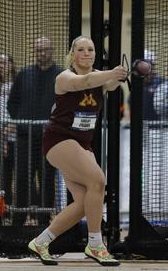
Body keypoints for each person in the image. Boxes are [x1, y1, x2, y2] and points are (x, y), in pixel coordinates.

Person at [28, 36, 127, 266]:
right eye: (80, 50)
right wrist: (112, 73)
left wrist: (119, 75)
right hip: (59, 140)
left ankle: (41, 241)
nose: (86, 53)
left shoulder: (100, 78)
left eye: (90, 49)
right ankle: (95, 244)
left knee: (85, 202)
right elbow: (86, 81)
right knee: (98, 181)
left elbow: (109, 84)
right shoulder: (65, 77)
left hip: (82, 144)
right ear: (72, 55)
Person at [7, 36, 64, 226]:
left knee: (47, 180)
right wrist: (22, 123)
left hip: (50, 140)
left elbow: (66, 106)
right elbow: (12, 103)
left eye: (45, 49)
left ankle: (44, 223)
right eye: (39, 50)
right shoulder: (24, 74)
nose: (42, 53)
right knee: (23, 179)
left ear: (52, 50)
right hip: (25, 138)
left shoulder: (61, 75)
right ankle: (18, 223)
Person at [0, 52, 17, 206]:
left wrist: (9, 129)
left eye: (5, 62)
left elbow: (20, 110)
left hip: (16, 137)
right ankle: (3, 209)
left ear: (11, 65)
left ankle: (26, 211)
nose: (2, 66)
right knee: (2, 176)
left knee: (20, 176)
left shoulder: (17, 85)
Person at [127, 49, 162, 121]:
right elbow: (130, 102)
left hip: (158, 124)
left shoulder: (160, 82)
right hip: (139, 122)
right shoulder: (137, 83)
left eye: (151, 65)